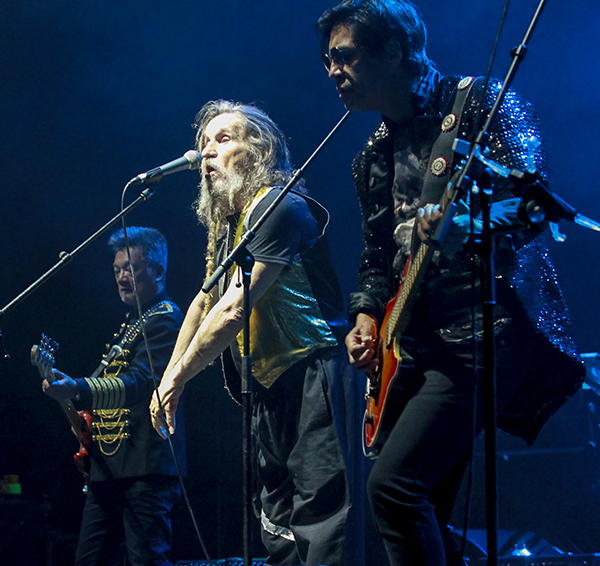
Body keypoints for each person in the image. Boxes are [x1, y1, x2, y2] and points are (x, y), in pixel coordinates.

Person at [315, 1, 585, 565]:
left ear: (394, 50)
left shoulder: (480, 104)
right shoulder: (371, 158)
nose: (332, 71)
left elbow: (535, 204)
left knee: (394, 488)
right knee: (426, 508)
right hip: (415, 346)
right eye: (328, 61)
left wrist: (467, 226)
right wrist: (365, 317)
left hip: (487, 331)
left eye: (344, 56)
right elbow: (377, 257)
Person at [149, 100, 364, 566]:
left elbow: (232, 310)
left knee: (324, 518)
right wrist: (166, 379)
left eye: (223, 139)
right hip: (268, 390)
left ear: (258, 150)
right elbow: (203, 302)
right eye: (203, 142)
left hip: (316, 375)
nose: (206, 151)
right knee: (277, 524)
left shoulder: (277, 205)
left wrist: (178, 380)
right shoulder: (229, 228)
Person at [42, 226, 186, 566]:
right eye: (117, 270)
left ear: (158, 271)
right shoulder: (131, 325)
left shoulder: (165, 320)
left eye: (131, 269)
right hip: (109, 468)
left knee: (146, 561)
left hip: (145, 466)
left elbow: (140, 383)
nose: (121, 278)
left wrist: (78, 387)